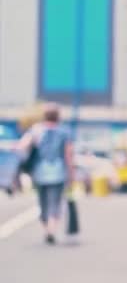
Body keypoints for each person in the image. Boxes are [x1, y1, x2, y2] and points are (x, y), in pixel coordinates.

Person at [17, 102, 75, 245]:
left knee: (42, 203)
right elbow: (68, 155)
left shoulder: (36, 130)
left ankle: (46, 227)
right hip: (58, 172)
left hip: (39, 172)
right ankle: (51, 229)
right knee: (55, 203)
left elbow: (21, 146)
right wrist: (71, 174)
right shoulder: (64, 131)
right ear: (58, 117)